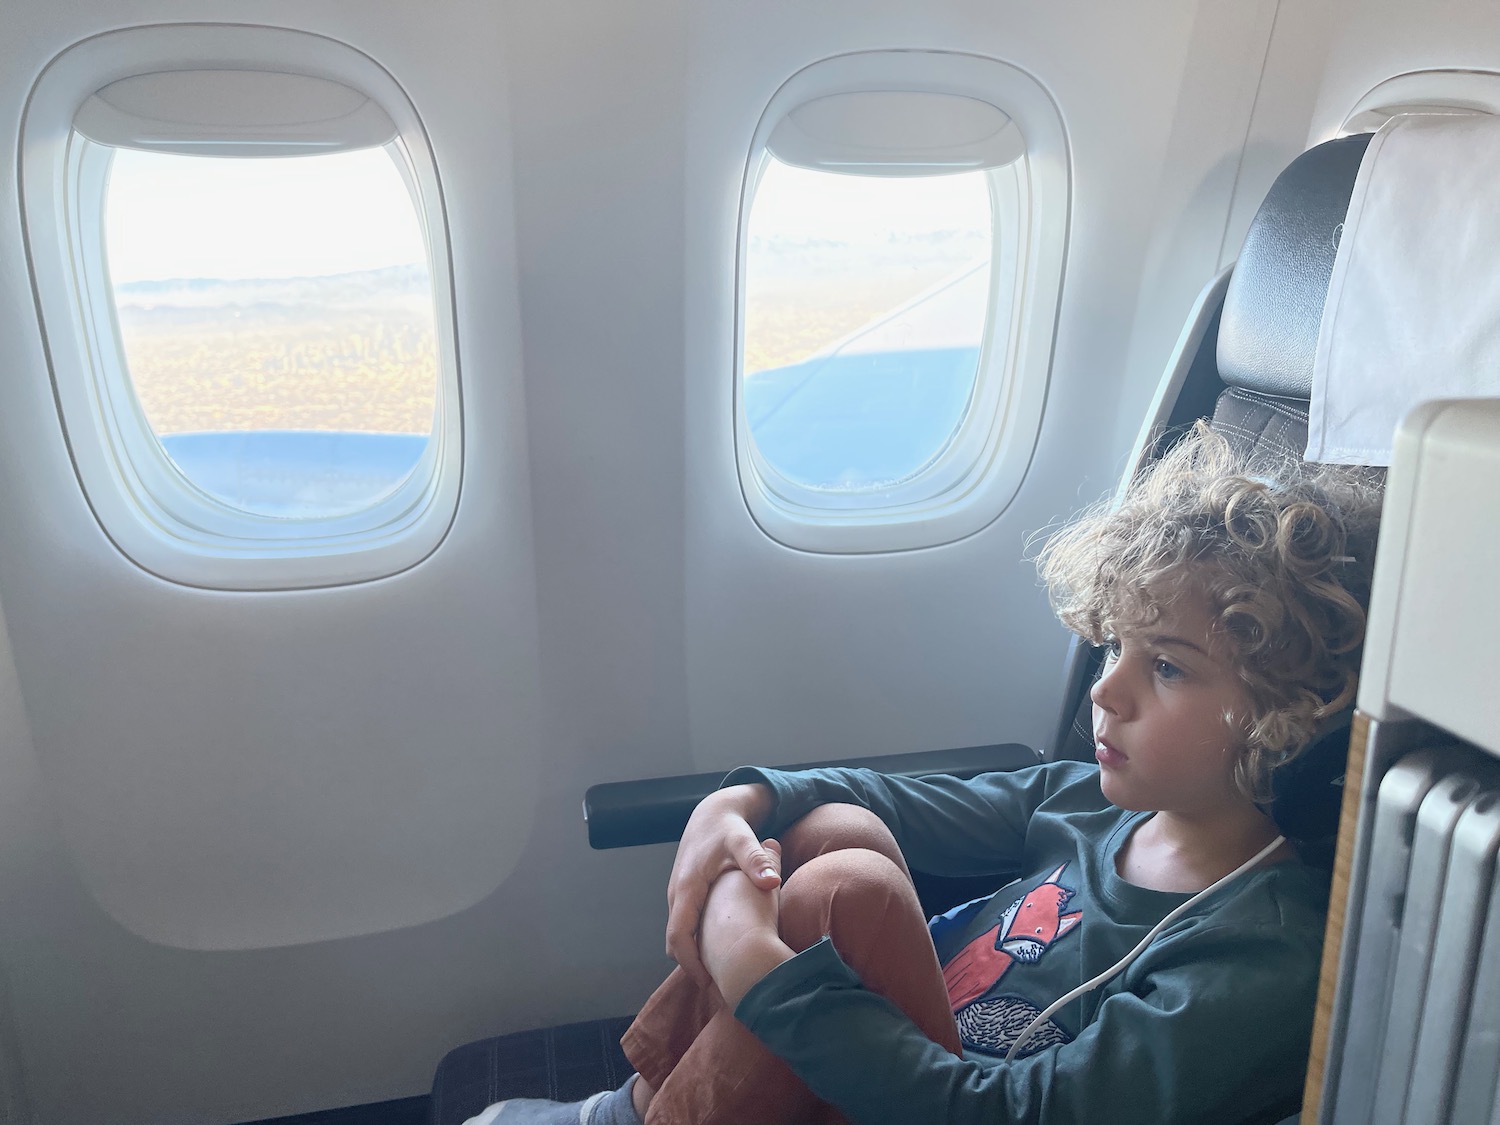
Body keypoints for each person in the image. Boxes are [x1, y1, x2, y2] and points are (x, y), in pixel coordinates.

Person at [471, 424, 1384, 1125]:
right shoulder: (1085, 806)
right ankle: (640, 1104)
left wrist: (755, 969)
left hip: (953, 1107)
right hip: (889, 1071)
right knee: (834, 832)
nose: (1107, 689)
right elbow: (882, 797)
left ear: (1280, 707)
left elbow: (1007, 1112)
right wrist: (736, 799)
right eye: (1114, 645)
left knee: (850, 887)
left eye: (1170, 666)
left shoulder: (1267, 950)